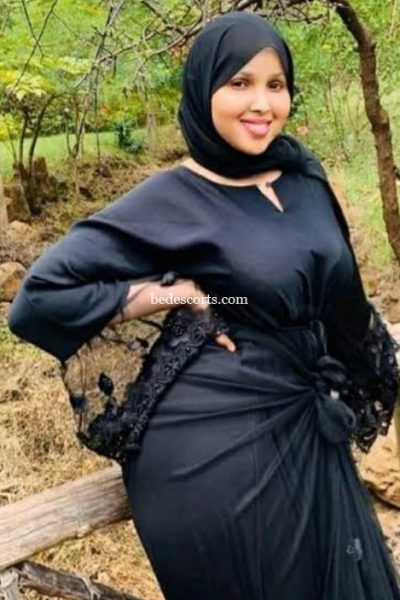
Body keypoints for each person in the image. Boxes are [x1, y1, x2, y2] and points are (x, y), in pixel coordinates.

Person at [7, 10, 400, 600]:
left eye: (275, 84)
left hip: (304, 418)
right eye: (239, 83)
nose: (261, 103)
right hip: (215, 452)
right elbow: (38, 299)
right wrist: (177, 294)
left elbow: (345, 304)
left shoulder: (302, 176)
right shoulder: (172, 199)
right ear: (202, 90)